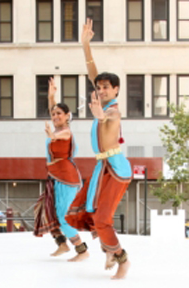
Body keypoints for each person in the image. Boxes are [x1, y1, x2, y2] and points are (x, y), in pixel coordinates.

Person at [66, 19, 132, 279]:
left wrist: (102, 118)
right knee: (89, 212)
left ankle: (122, 259)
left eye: (107, 87)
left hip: (115, 168)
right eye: (99, 87)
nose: (102, 89)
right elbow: (92, 70)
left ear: (116, 89)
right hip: (102, 167)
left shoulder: (113, 110)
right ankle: (108, 249)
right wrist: (85, 45)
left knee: (102, 218)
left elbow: (110, 125)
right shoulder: (102, 104)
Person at [34, 78, 89, 261]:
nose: (55, 116)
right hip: (55, 177)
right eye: (54, 114)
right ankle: (62, 244)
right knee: (44, 209)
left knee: (63, 216)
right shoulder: (59, 128)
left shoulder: (65, 132)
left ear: (68, 116)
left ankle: (81, 250)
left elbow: (62, 135)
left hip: (66, 179)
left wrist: (52, 135)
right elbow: (53, 111)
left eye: (59, 114)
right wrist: (51, 97)